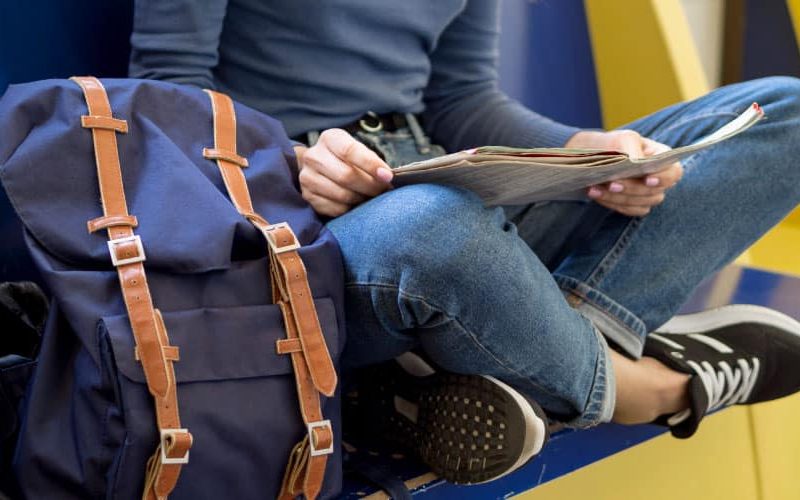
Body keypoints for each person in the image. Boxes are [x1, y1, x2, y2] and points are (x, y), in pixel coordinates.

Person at [129, 0, 800, 485]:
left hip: (438, 180)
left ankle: (520, 344)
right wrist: (292, 164)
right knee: (431, 226)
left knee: (783, 111)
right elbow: (164, 92)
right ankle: (646, 389)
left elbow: (462, 98)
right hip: (307, 228)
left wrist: (587, 154)